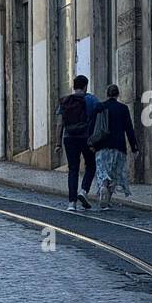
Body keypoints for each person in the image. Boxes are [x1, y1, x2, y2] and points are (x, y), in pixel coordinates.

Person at [57, 75, 100, 212]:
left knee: (73, 169)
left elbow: (59, 124)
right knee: (91, 165)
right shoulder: (92, 100)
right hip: (86, 138)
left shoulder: (65, 101)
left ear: (73, 87)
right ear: (86, 86)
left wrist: (57, 143)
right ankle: (84, 191)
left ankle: (72, 203)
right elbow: (99, 119)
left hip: (69, 138)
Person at [92, 85, 137, 209]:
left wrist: (91, 143)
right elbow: (129, 129)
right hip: (119, 146)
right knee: (114, 174)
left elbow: (93, 126)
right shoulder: (123, 108)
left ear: (107, 94)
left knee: (103, 171)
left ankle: (102, 187)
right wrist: (134, 147)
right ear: (118, 94)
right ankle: (108, 199)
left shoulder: (100, 106)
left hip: (102, 145)